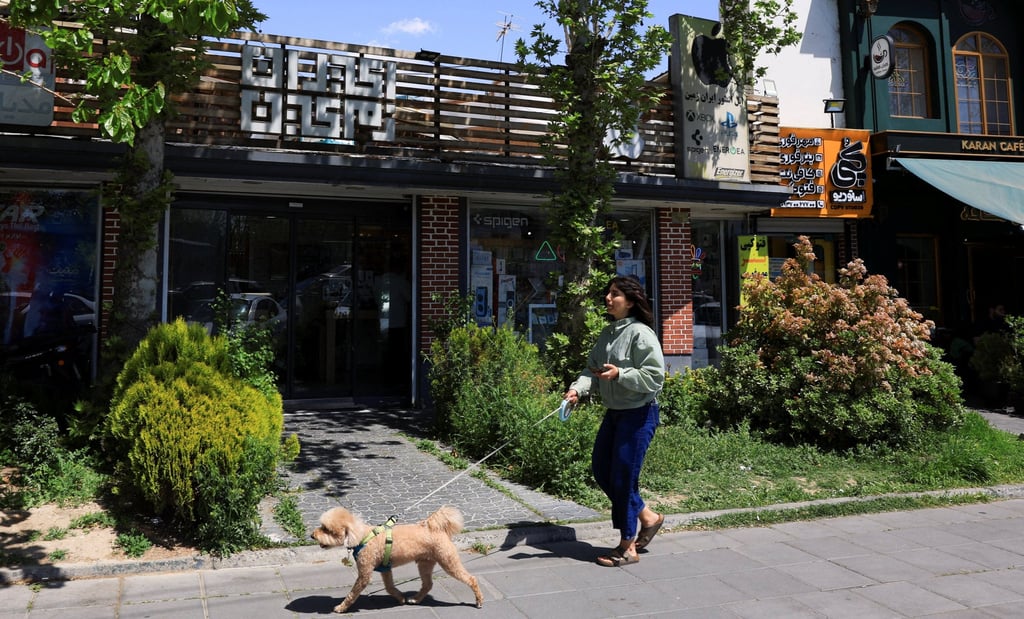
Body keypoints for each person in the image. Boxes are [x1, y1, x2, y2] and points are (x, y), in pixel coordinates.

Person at [563, 275, 665, 567]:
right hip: (615, 413)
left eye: (616, 294)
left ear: (630, 301)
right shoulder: (608, 333)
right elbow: (590, 369)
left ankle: (627, 546)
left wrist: (621, 374)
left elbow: (655, 378)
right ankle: (648, 517)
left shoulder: (641, 334)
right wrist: (576, 390)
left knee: (622, 477)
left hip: (639, 414)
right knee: (602, 470)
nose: (608, 298)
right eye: (609, 293)